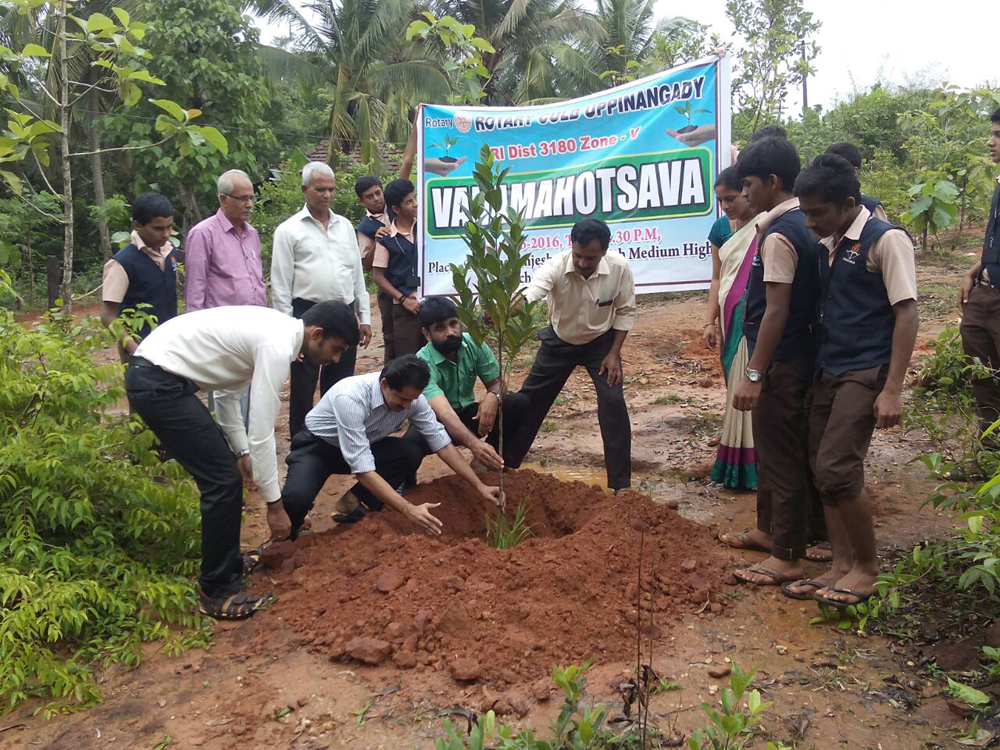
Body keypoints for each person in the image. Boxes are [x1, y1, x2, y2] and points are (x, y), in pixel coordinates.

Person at [126, 302, 359, 619]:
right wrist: (274, 505)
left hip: (156, 376)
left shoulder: (275, 332)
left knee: (225, 476)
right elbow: (262, 433)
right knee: (222, 481)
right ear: (316, 334)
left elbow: (225, 395)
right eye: (335, 349)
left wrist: (241, 452)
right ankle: (215, 591)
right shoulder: (276, 344)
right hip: (158, 383)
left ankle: (229, 563)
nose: (333, 360)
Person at [783, 154, 918, 607]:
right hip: (830, 367)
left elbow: (907, 312)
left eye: (816, 212)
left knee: (839, 467)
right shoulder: (829, 242)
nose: (808, 220)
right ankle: (840, 564)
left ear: (847, 202)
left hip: (866, 369)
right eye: (804, 211)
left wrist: (893, 388)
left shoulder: (886, 240)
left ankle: (868, 567)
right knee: (821, 465)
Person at [727, 137, 820, 587]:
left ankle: (787, 554)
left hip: (783, 362)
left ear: (773, 181)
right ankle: (768, 532)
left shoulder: (781, 234)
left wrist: (754, 373)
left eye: (747, 185)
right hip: (793, 357)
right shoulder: (802, 223)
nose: (744, 195)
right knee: (771, 447)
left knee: (781, 455)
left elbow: (777, 309)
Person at [279, 355, 502, 537]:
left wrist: (479, 486)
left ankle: (355, 503)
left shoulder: (413, 400)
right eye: (402, 399)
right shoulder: (351, 397)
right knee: (296, 498)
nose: (406, 406)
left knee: (409, 452)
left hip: (364, 444)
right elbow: (363, 470)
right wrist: (408, 509)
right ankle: (291, 532)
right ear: (385, 384)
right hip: (318, 448)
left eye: (411, 400)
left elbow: (441, 443)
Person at [505, 218, 635, 491]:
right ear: (571, 246)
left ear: (604, 252)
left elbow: (625, 311)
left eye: (591, 258)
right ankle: (505, 463)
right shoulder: (555, 266)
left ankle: (621, 484)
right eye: (578, 255)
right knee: (529, 401)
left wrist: (614, 354)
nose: (583, 263)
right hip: (559, 342)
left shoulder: (619, 268)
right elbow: (532, 293)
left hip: (601, 344)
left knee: (613, 403)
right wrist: (505, 311)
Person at [271, 161, 373, 438]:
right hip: (307, 315)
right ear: (305, 190)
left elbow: (357, 275)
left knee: (341, 381)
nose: (326, 195)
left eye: (331, 189)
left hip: (344, 312)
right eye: (320, 189)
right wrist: (287, 333)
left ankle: (335, 437)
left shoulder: (344, 227)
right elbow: (281, 286)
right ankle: (302, 441)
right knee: (304, 382)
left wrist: (364, 317)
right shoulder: (288, 231)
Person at [404, 296, 531, 470]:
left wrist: (493, 396)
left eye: (453, 323)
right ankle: (407, 485)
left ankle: (489, 463)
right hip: (436, 422)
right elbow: (444, 413)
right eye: (440, 328)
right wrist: (475, 445)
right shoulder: (422, 362)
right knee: (409, 447)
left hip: (468, 416)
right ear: (427, 334)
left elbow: (498, 383)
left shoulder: (474, 344)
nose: (450, 332)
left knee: (518, 403)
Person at [185, 168, 267, 425]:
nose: (249, 204)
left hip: (254, 333)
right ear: (223, 199)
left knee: (255, 401)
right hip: (222, 337)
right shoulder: (203, 234)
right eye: (243, 198)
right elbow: (195, 290)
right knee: (227, 406)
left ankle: (249, 457)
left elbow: (256, 282)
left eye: (251, 197)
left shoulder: (252, 234)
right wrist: (197, 341)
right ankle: (230, 458)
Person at [702, 167, 765, 490]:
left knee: (752, 386)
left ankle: (753, 466)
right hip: (728, 320)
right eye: (720, 200)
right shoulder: (720, 229)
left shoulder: (766, 225)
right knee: (733, 387)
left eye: (730, 198)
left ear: (747, 191)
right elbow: (717, 277)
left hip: (753, 320)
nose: (725, 206)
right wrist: (710, 320)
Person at [959, 108, 1000, 437]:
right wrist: (977, 269)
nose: (990, 142)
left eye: (998, 135)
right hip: (985, 293)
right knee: (982, 374)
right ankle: (990, 453)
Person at [100, 193, 178, 362]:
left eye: (169, 227)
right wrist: (135, 349)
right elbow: (108, 316)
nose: (166, 234)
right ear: (137, 225)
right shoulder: (122, 263)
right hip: (140, 350)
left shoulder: (170, 252)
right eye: (158, 228)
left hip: (172, 345)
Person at [371, 178, 424, 359]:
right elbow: (377, 276)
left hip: (430, 303)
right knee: (408, 359)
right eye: (409, 202)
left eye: (414, 198)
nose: (415, 204)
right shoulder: (386, 238)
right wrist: (402, 299)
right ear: (395, 209)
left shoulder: (426, 228)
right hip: (404, 308)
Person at [824, 143, 889, 221]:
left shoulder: (870, 206)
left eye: (837, 169)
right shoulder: (815, 202)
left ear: (854, 171)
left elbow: (883, 231)